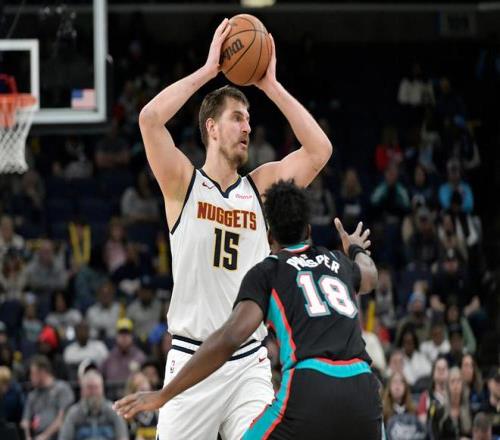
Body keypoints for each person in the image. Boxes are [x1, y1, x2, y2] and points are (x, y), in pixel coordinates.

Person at [125, 17, 332, 440]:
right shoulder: (182, 182)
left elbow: (319, 150)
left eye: (249, 119)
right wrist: (209, 71)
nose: (248, 127)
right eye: (237, 118)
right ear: (211, 128)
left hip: (248, 362)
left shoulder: (260, 188)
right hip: (191, 358)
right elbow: (149, 119)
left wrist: (270, 85)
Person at [114, 181, 381, 439]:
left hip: (311, 381)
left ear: (269, 236)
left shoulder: (269, 271)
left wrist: (164, 394)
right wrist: (354, 248)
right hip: (363, 386)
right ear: (309, 230)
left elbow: (230, 338)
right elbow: (370, 276)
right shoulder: (338, 262)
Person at [59, 370, 128, 440]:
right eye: (90, 388)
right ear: (82, 390)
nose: (93, 392)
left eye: (96, 387)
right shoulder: (73, 414)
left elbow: (122, 437)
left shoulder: (113, 411)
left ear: (102, 389)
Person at [20, 355, 74, 440]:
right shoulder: (32, 395)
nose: (30, 377)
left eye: (33, 373)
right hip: (37, 435)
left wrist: (44, 436)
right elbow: (25, 421)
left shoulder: (62, 389)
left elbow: (61, 419)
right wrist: (27, 437)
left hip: (58, 436)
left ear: (43, 372)